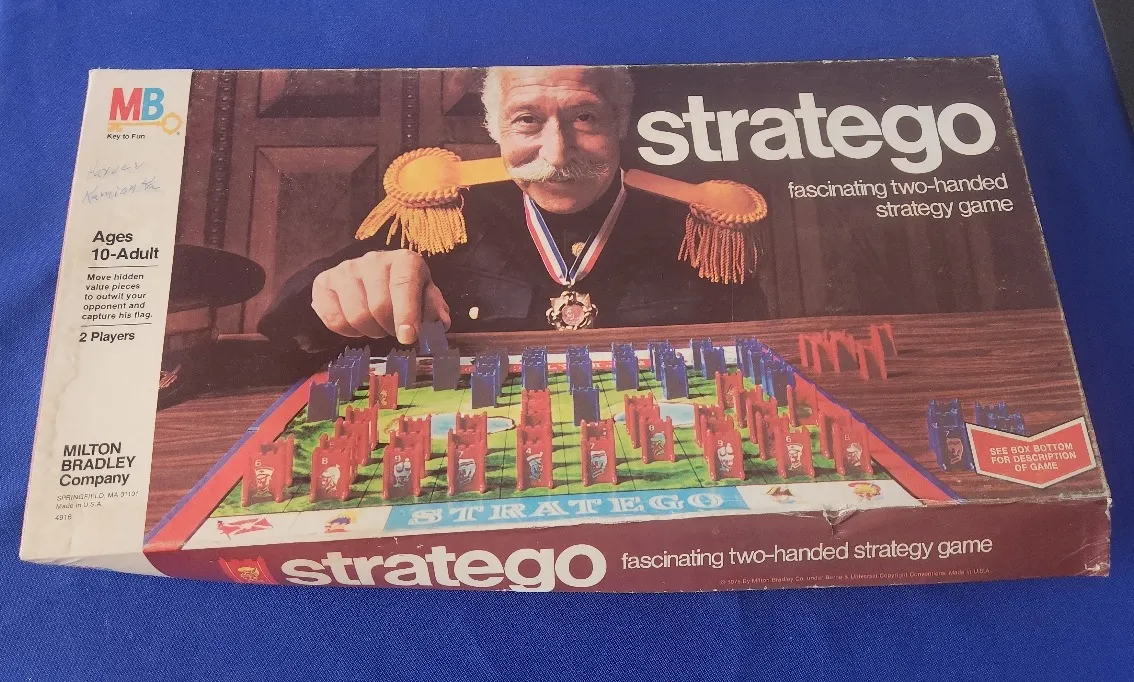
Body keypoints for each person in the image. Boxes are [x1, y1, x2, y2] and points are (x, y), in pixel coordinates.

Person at [258, 65, 767, 353]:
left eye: (585, 118)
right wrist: (338, 286)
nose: (557, 154)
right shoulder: (434, 215)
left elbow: (752, 353)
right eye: (526, 120)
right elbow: (292, 330)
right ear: (494, 129)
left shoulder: (700, 227)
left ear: (621, 124)